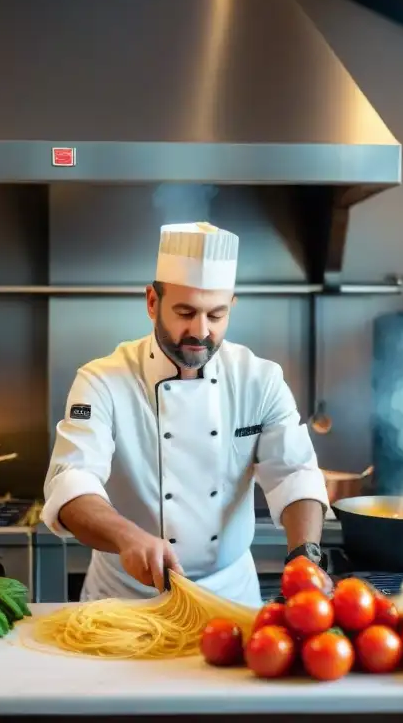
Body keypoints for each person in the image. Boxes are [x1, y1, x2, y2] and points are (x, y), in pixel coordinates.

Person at [42, 221, 329, 608]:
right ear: (151, 302)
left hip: (230, 602)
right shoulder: (102, 381)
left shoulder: (259, 379)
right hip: (124, 603)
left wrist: (304, 557)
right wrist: (128, 537)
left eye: (216, 315)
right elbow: (71, 483)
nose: (200, 330)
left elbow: (295, 475)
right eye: (185, 312)